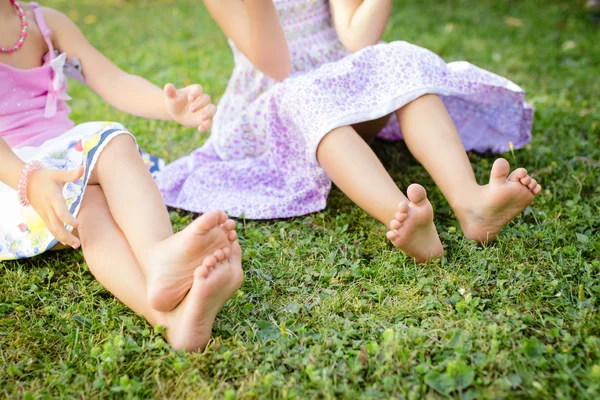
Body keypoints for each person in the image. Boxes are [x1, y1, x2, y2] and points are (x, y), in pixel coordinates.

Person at [158, 0, 542, 262]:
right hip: (276, 107)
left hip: (342, 84)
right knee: (303, 95)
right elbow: (275, 66)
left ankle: (470, 203)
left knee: (399, 58)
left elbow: (357, 40)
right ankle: (405, 217)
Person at [0, 0, 243, 352]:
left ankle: (170, 320)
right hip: (11, 181)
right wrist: (30, 179)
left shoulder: (45, 22)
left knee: (90, 202)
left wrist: (168, 107)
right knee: (111, 141)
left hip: (64, 163)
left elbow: (112, 80)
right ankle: (157, 254)